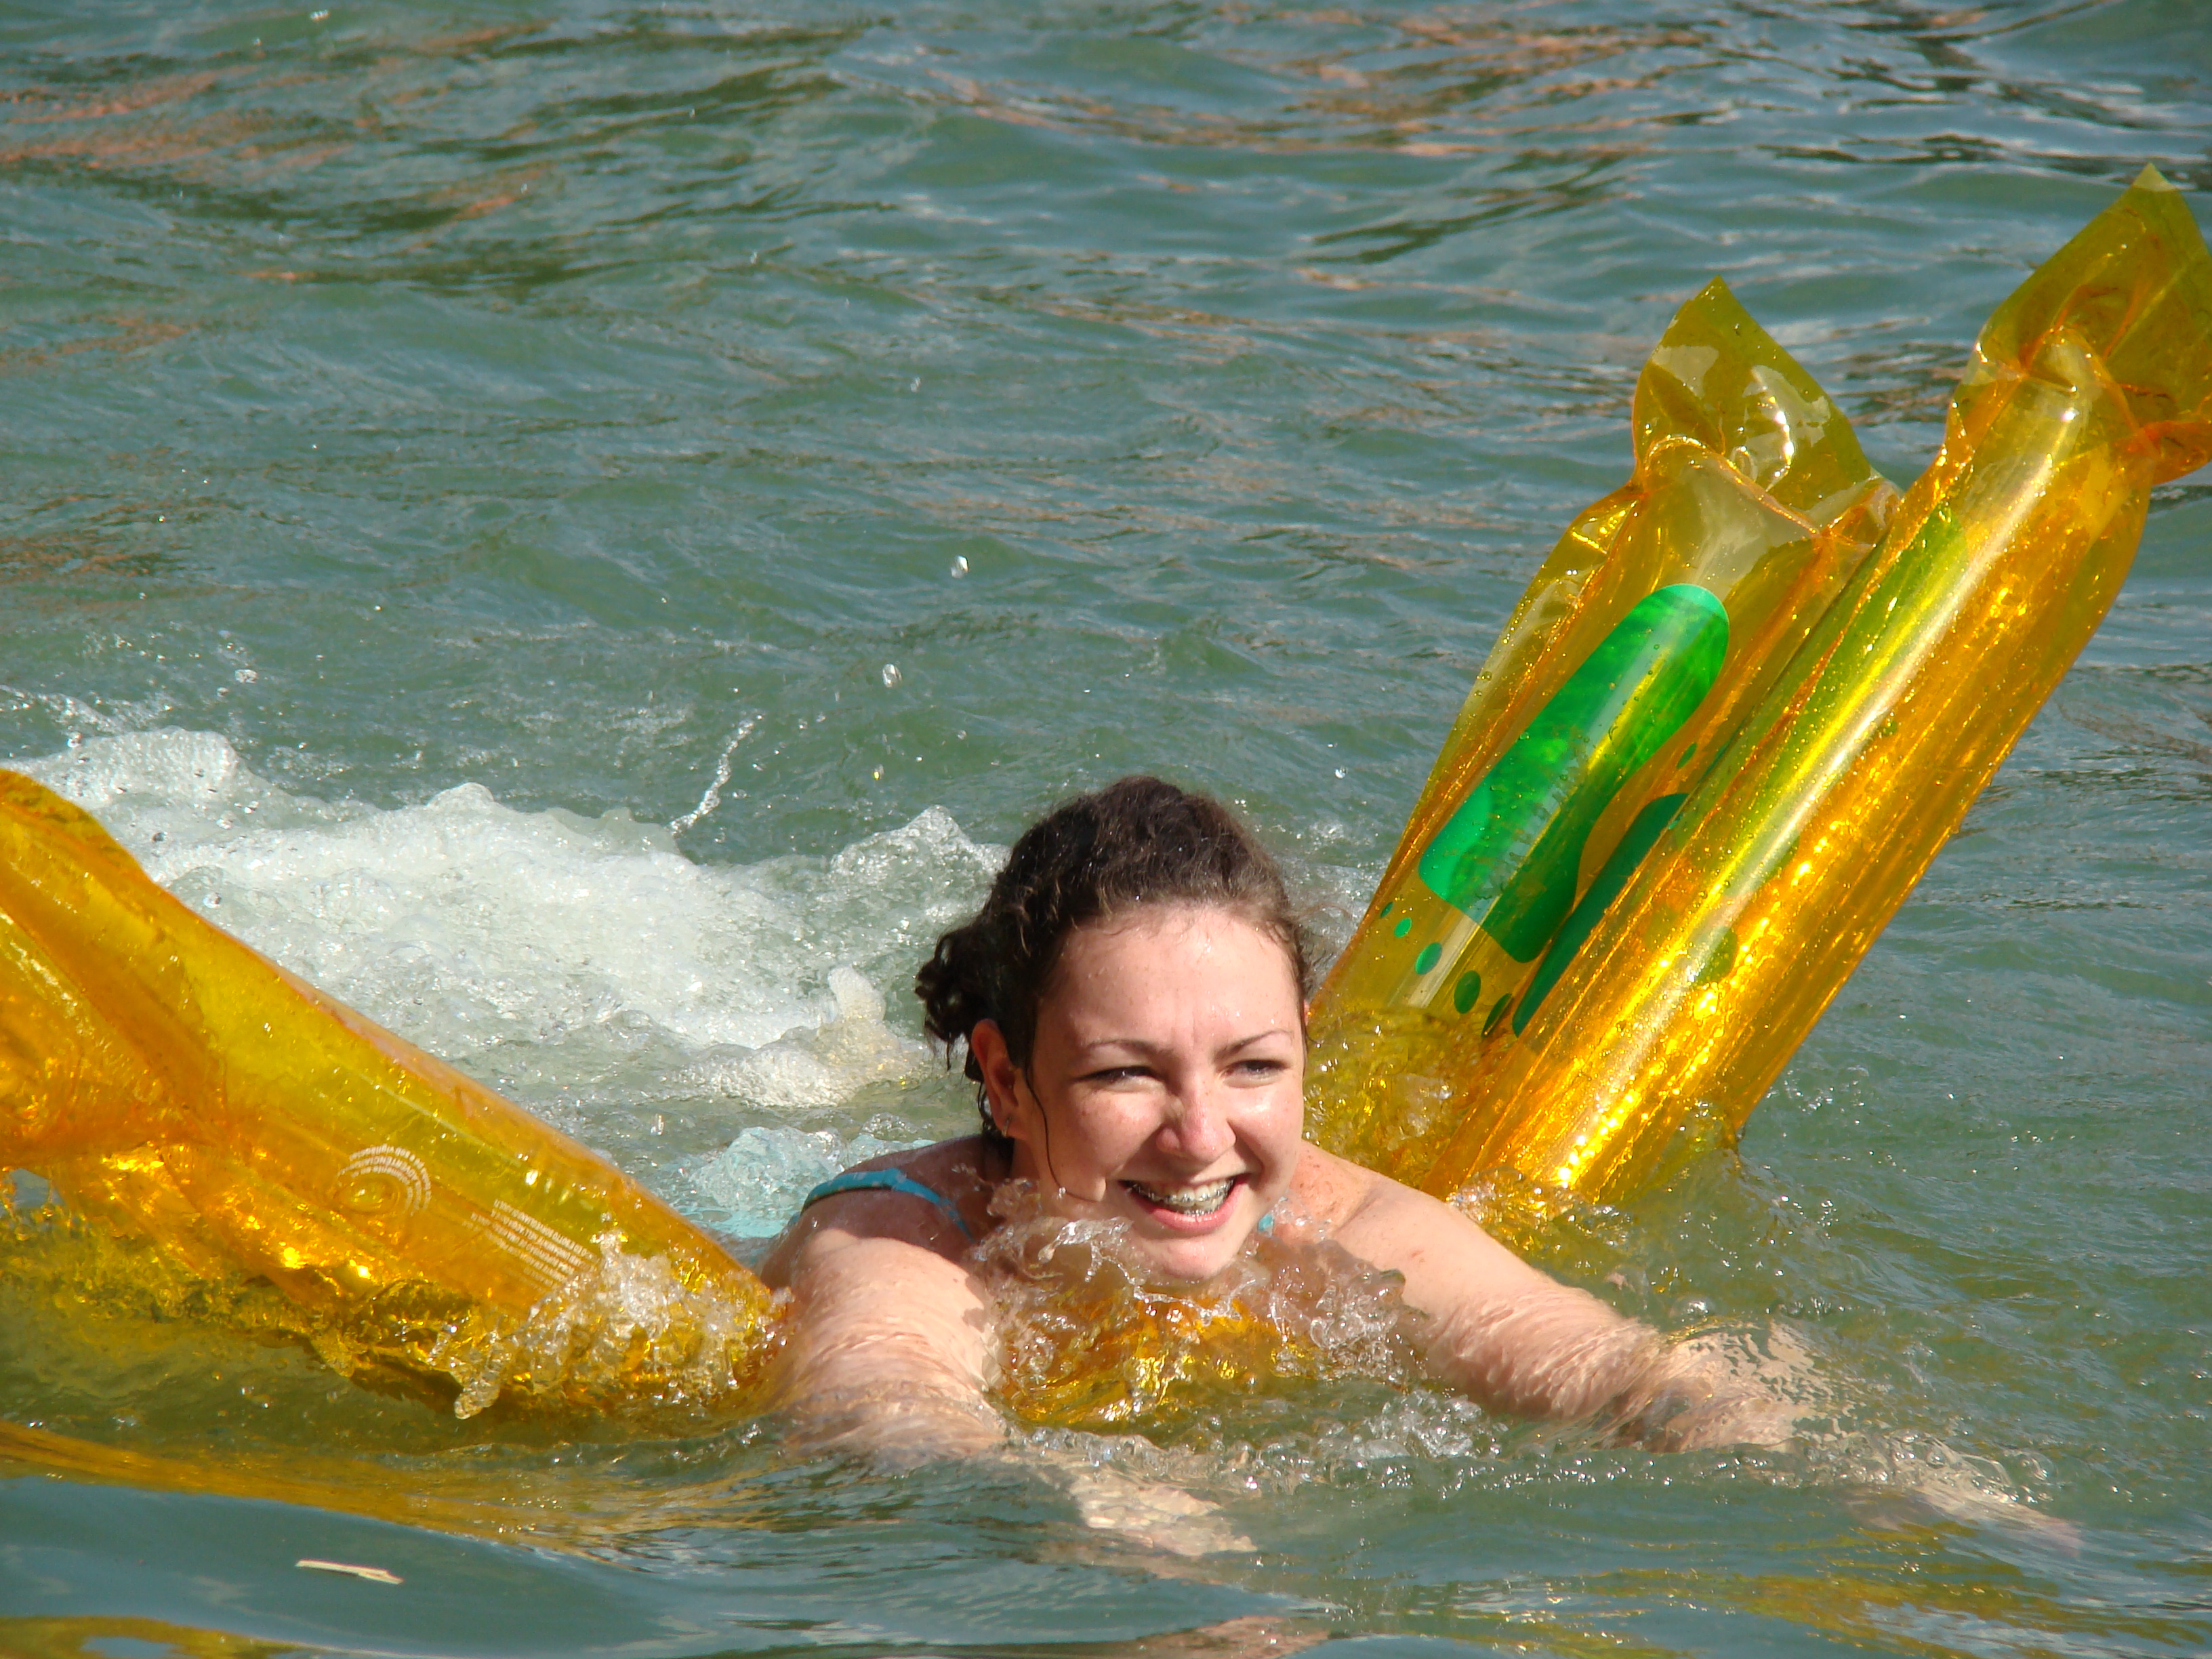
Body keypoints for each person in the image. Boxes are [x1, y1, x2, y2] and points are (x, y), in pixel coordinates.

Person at [760, 776, 1797, 1469]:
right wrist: (1112, 1502)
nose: (1201, 1136)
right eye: (1127, 1074)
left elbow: (1615, 1373)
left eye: (1253, 1065)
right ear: (1007, 1079)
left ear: (1305, 1042)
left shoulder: (1344, 1233)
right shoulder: (906, 1240)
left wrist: (1768, 1439)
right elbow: (885, 1423)